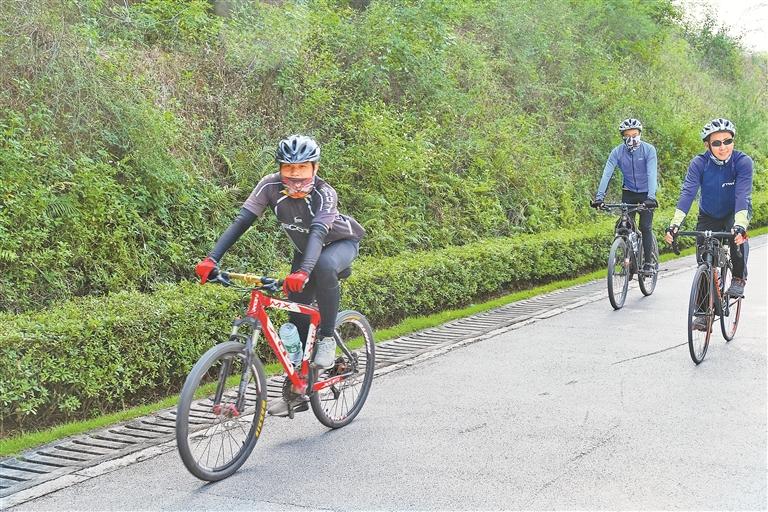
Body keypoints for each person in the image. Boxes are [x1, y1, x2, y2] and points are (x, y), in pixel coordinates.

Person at [195, 134, 366, 416]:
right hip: (304, 252)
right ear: (280, 168)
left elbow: (318, 233)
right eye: (289, 167)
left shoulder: (325, 193)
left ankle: (326, 338)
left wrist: (304, 271)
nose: (295, 174)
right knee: (296, 315)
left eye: (302, 167)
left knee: (323, 266)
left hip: (338, 244)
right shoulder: (269, 186)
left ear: (315, 167)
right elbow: (241, 222)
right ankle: (298, 388)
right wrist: (212, 259)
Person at [663, 118, 752, 322]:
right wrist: (675, 224)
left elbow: (742, 195)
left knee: (737, 237)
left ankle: (739, 277)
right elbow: (688, 193)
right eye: (716, 143)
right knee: (704, 260)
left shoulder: (742, 162)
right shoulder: (699, 163)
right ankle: (703, 312)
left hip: (735, 211)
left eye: (727, 141)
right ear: (707, 145)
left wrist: (740, 226)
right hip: (709, 214)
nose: (723, 147)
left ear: (733, 141)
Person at [590, 118, 659, 273]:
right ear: (623, 137)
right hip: (628, 192)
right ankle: (628, 258)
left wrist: (651, 197)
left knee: (645, 227)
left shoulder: (649, 150)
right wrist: (599, 197)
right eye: (627, 136)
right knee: (624, 225)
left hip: (646, 193)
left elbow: (651, 174)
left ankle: (648, 263)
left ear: (640, 134)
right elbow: (607, 174)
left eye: (634, 135)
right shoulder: (617, 152)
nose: (631, 139)